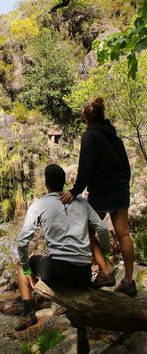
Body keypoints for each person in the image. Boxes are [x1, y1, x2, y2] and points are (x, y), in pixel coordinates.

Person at [15, 164, 110, 331]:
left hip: (57, 271)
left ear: (46, 183)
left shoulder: (39, 204)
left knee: (21, 265)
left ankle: (28, 312)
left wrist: (29, 272)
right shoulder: (81, 202)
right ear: (64, 182)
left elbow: (22, 242)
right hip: (83, 275)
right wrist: (106, 253)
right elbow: (102, 229)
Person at [61, 97, 137, 297]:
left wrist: (74, 191)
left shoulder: (89, 136)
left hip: (102, 192)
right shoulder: (115, 137)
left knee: (86, 231)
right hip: (120, 189)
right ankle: (129, 281)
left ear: (87, 120)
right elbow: (126, 167)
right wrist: (123, 185)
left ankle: (105, 272)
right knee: (123, 233)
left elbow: (86, 168)